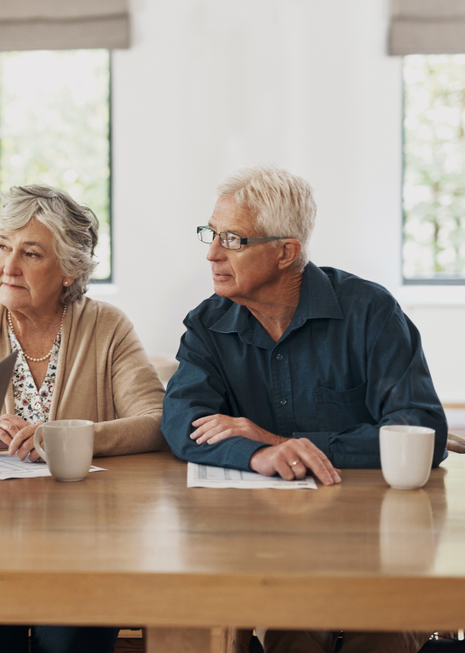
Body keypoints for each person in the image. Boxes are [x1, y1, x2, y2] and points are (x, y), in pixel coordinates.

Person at [162, 165, 446, 653]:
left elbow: (419, 429)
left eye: (233, 239)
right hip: (271, 540)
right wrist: (256, 455)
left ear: (285, 253)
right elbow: (182, 421)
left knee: (380, 638)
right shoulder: (209, 325)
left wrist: (281, 443)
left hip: (377, 535)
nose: (212, 253)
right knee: (290, 635)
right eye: (211, 233)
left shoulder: (370, 312)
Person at [0, 184, 166, 653]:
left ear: (69, 270)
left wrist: (67, 437)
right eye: (3, 247)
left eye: (31, 253)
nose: (9, 266)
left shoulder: (108, 326)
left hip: (86, 541)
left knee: (68, 644)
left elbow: (156, 420)